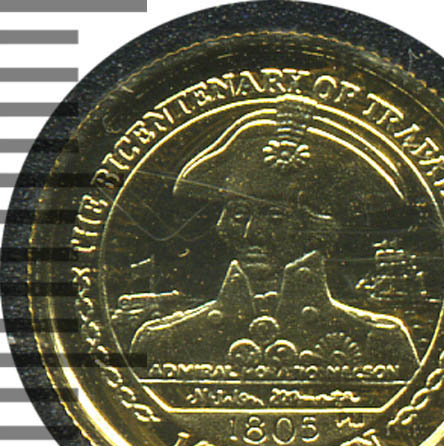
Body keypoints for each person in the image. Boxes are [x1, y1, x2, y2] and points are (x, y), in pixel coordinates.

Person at [131, 95, 419, 380]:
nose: (250, 233)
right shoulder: (161, 342)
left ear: (317, 229)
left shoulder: (384, 342)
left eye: (275, 217)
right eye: (239, 215)